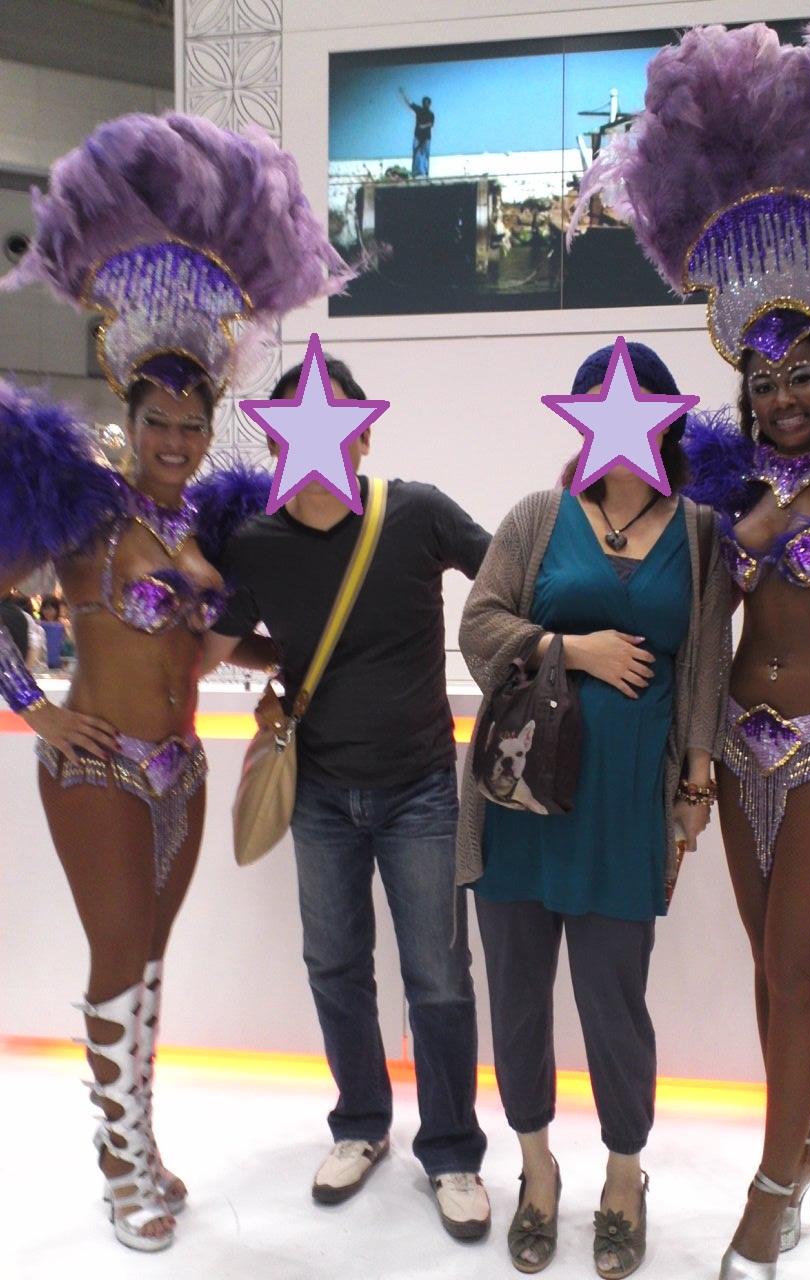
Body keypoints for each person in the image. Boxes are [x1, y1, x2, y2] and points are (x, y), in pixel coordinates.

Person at [575, 15, 810, 1279]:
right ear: (740, 388)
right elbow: (690, 613)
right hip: (737, 749)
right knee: (770, 970)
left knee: (798, 970)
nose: (783, 394)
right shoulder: (728, 482)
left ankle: (772, 1190)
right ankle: (809, 1147)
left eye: (801, 371)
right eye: (762, 377)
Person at [0, 111, 353, 1253]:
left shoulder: (208, 522)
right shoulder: (82, 513)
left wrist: (288, 662)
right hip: (97, 768)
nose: (177, 440)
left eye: (195, 425)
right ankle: (118, 1167)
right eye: (160, 421)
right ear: (130, 409)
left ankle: (141, 1141)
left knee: (150, 963)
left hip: (182, 772)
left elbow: (206, 645)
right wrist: (32, 705)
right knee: (118, 957)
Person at [203, 355, 494, 1242]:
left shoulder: (417, 513)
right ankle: (361, 1122)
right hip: (320, 793)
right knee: (333, 964)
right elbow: (216, 642)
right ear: (275, 445)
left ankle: (451, 1150)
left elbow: (507, 578)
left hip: (421, 789)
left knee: (437, 976)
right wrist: (283, 665)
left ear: (365, 435)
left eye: (340, 426)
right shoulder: (256, 544)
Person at [456, 340, 731, 1278]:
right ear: (579, 421)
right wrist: (572, 648)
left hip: (624, 808)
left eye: (638, 407)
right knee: (517, 997)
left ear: (666, 422)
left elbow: (707, 667)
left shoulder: (699, 532)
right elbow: (478, 626)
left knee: (616, 1004)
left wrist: (695, 787)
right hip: (520, 801)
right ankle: (536, 1169)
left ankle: (623, 1174)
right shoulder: (540, 516)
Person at [399, 88, 435, 176]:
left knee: (425, 154)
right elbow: (410, 103)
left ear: (429, 104)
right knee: (416, 154)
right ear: (423, 103)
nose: (426, 104)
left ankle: (425, 172)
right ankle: (416, 172)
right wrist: (403, 94)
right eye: (425, 103)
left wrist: (423, 126)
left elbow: (431, 124)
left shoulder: (431, 114)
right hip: (418, 136)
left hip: (426, 137)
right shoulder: (419, 110)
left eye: (427, 103)